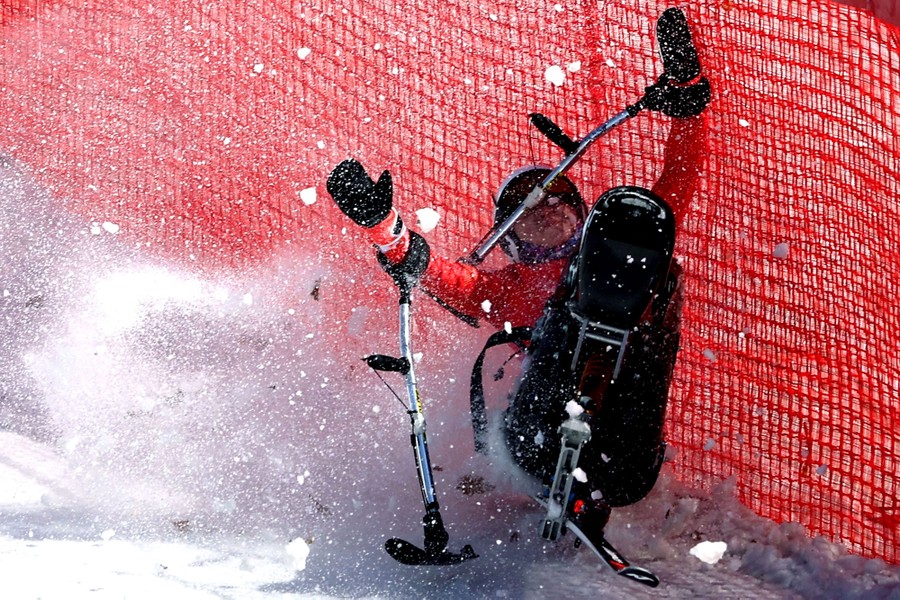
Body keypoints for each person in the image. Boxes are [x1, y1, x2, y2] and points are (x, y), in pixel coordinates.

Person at [326, 12, 709, 550]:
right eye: (531, 226)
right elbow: (437, 274)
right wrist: (383, 226)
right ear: (512, 246)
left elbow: (678, 177)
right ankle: (544, 494)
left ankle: (589, 497)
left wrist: (688, 100)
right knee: (542, 378)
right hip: (542, 434)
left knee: (645, 263)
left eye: (559, 217)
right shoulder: (510, 289)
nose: (550, 232)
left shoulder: (618, 259)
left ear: (581, 218)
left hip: (627, 446)